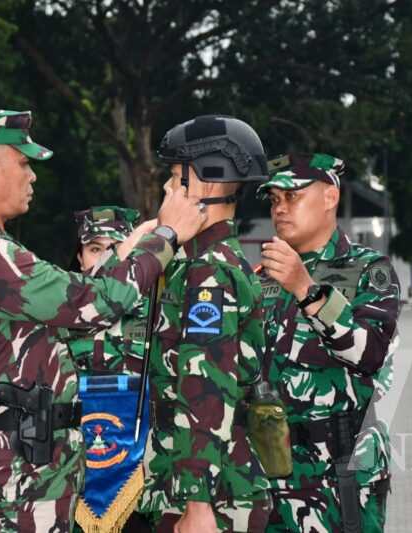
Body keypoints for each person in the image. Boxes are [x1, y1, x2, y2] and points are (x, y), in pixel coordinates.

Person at [0, 109, 206, 532]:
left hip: (17, 473)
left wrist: (127, 252)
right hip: (12, 487)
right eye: (23, 163)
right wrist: (166, 236)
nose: (32, 176)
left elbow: (69, 295)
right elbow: (93, 303)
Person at [137, 115, 273, 533]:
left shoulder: (209, 271)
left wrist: (197, 503)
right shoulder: (196, 263)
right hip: (194, 479)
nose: (166, 189)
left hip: (211, 494)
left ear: (207, 184)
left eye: (175, 177)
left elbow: (206, 388)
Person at [257, 154, 400, 532]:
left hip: (338, 472)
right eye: (274, 199)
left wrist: (305, 289)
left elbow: (369, 354)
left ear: (330, 197)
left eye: (292, 196)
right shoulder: (262, 278)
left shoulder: (369, 269)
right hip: (268, 470)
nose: (280, 208)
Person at [68, 205, 152, 375]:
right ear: (80, 259)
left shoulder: (156, 310)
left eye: (118, 248)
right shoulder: (59, 309)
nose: (107, 258)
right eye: (95, 249)